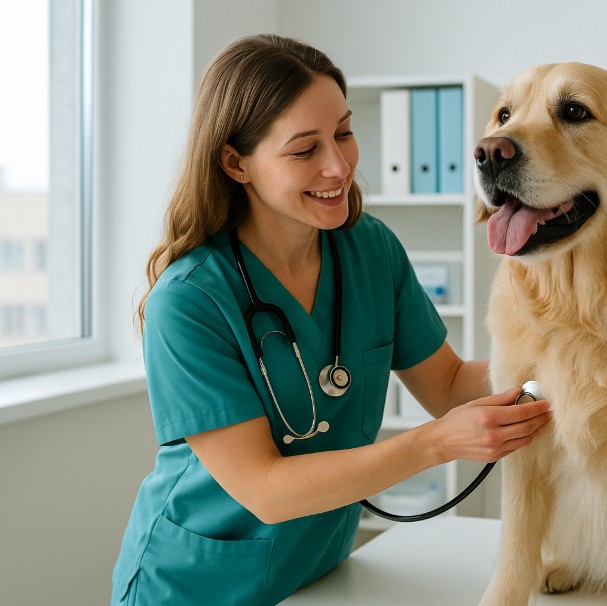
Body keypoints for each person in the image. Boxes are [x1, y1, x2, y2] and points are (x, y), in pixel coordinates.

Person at [110, 34, 551, 605]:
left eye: (344, 132)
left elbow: (446, 386)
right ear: (235, 163)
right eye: (304, 150)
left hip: (316, 573)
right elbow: (265, 490)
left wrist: (565, 364)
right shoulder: (190, 300)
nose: (338, 166)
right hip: (197, 584)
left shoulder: (369, 249)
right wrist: (436, 445)